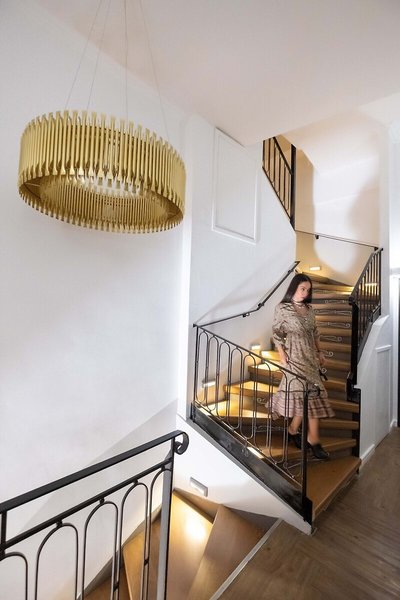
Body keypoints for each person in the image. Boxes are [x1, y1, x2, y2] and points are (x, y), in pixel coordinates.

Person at [271, 273, 334, 460]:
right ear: (294, 288)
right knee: (305, 398)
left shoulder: (309, 309)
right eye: (302, 289)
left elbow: (315, 332)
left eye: (308, 290)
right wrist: (281, 353)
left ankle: (292, 430)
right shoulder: (282, 308)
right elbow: (276, 333)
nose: (305, 293)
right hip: (293, 358)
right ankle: (313, 440)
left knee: (310, 396)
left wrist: (320, 352)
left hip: (310, 359)